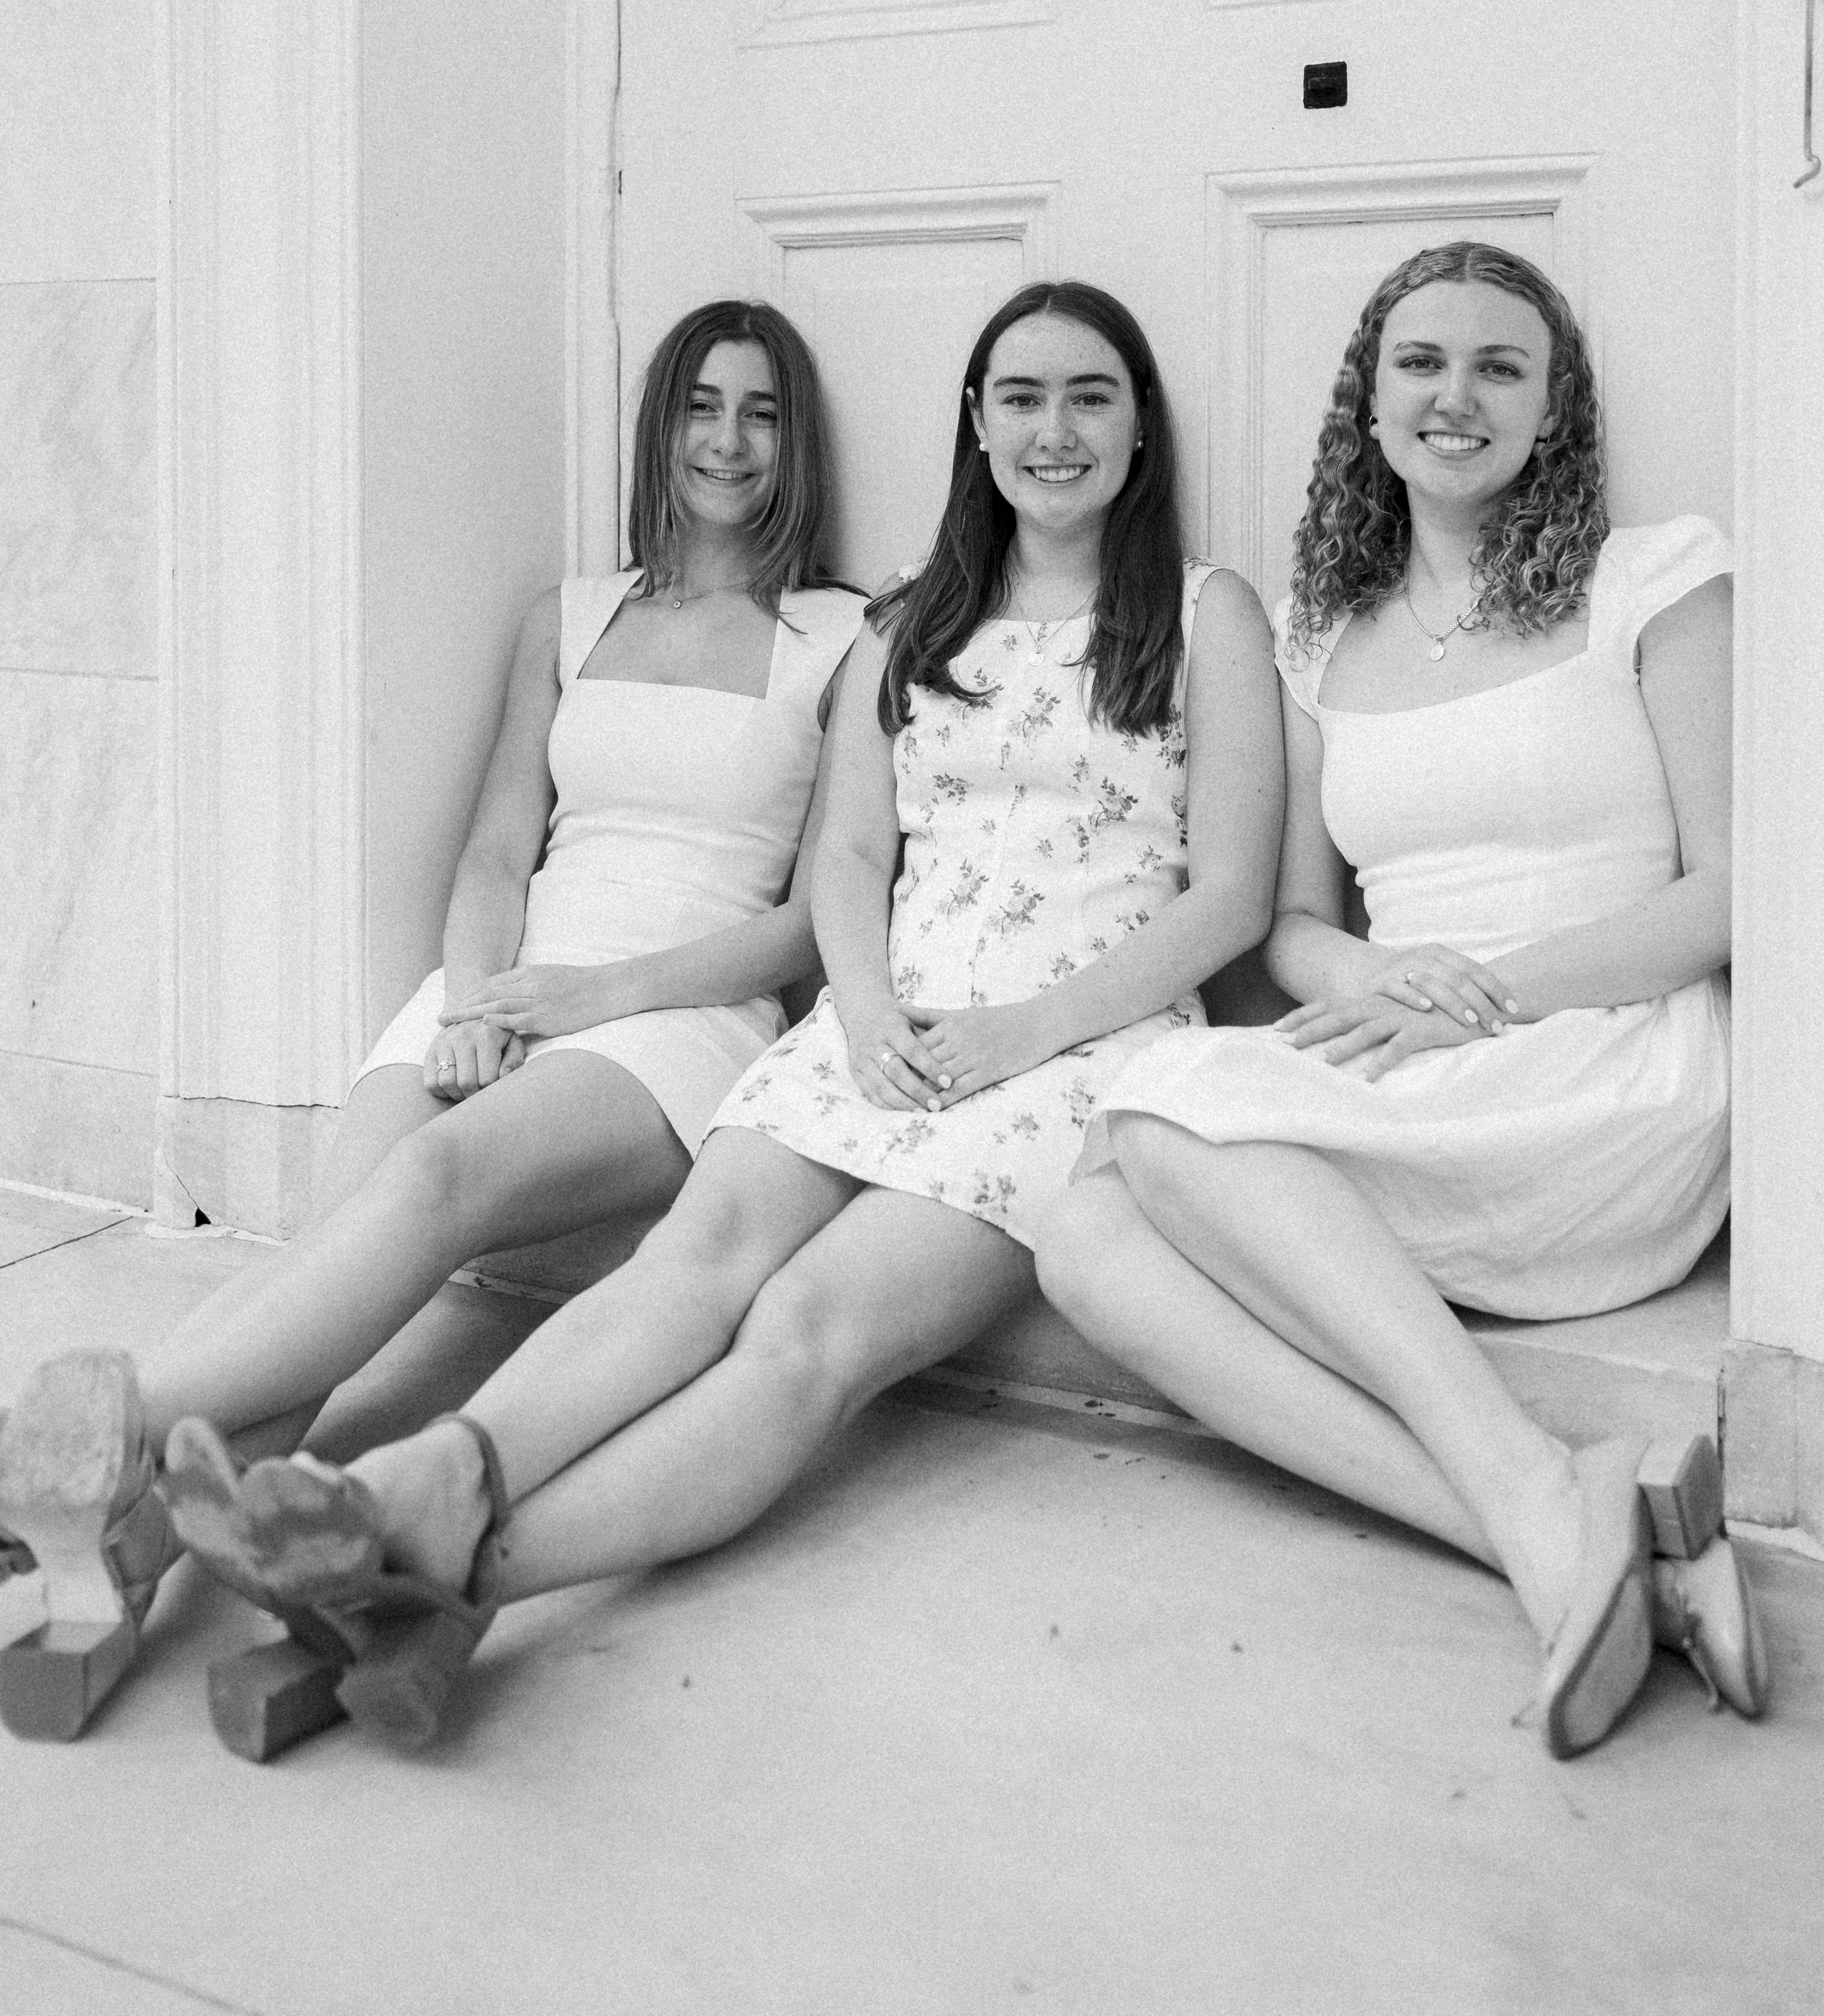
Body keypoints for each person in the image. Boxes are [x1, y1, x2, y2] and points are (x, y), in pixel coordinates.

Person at [158, 279, 1285, 1756]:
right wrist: (867, 1006)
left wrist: (1029, 1030)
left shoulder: (1203, 613)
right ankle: (441, 1471)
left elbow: (1233, 900)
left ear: (1141, 429)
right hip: (880, 1029)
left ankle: (458, 1565)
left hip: (1078, 1051)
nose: (1051, 430)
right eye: (1019, 397)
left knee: (804, 1332)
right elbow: (851, 862)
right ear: (974, 424)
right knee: (695, 1261)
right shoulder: (913, 623)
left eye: (1089, 397)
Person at [0, 298, 863, 1744]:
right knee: (334, 1259)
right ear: (659, 424)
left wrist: (584, 1000)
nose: (728, 440)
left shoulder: (841, 639)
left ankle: (107, 1415)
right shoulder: (570, 616)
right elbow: (490, 852)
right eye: (702, 406)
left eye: (761, 412)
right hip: (510, 976)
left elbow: (805, 922)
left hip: (675, 1013)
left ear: (796, 440)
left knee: (429, 1186)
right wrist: (472, 1006)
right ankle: (130, 1565)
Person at [1033, 242, 1761, 1759]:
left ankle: (1528, 1499)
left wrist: (1484, 991)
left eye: (1500, 365)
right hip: (1406, 1045)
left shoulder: (1655, 578)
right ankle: (1541, 1511)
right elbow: (1293, 926)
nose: (1454, 395)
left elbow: (1732, 894)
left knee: (1155, 1134)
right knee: (1082, 1239)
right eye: (1419, 362)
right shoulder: (1322, 636)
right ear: (1364, 404)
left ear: (1554, 410)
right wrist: (1368, 976)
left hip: (1600, 1051)